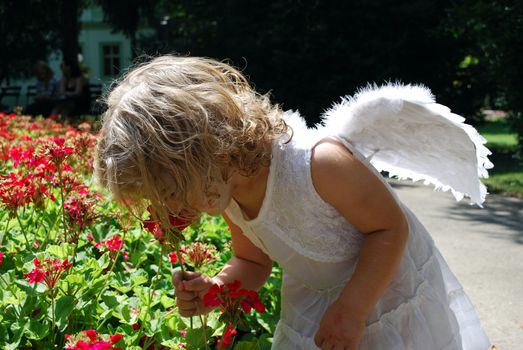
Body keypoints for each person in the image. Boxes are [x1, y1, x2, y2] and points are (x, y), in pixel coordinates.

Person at [94, 56, 492, 350]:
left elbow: (389, 229)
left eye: (170, 191)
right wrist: (217, 289)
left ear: (206, 153)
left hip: (386, 290)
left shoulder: (318, 164)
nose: (165, 209)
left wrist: (353, 309)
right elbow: (253, 261)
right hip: (320, 300)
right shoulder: (229, 192)